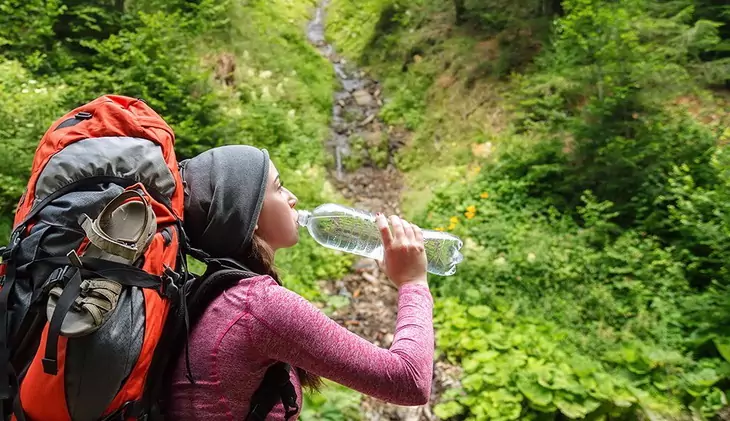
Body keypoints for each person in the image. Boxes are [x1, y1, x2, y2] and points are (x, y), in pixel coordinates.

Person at [165, 145, 434, 420]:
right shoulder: (259, 306)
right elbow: (409, 381)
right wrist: (413, 282)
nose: (292, 198)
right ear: (249, 213)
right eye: (279, 188)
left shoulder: (220, 293)